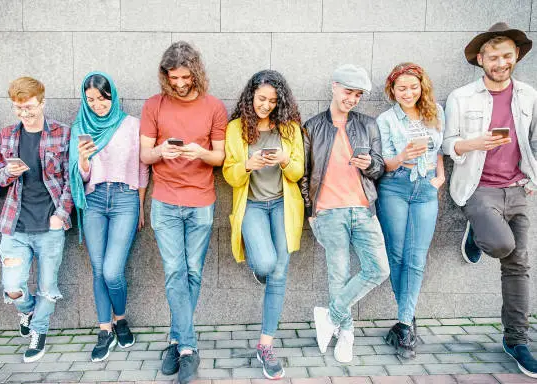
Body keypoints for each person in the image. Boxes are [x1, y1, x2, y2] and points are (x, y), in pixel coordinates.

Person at [443, 22, 537, 378]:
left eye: (507, 56)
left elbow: (535, 141)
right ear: (481, 59)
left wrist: (534, 177)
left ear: (516, 58)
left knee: (518, 266)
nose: (501, 63)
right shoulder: (461, 97)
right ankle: (480, 232)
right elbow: (447, 143)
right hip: (478, 186)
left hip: (517, 188)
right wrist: (472, 143)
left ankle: (517, 341)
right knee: (501, 244)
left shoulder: (528, 94)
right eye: (493, 57)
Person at [140, 41, 227, 384]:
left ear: (196, 73)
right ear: (165, 75)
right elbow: (145, 156)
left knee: (193, 272)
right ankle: (188, 348)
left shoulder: (214, 107)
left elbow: (219, 158)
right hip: (164, 201)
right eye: (173, 77)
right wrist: (162, 149)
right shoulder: (153, 105)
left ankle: (175, 339)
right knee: (175, 271)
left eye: (185, 76)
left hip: (201, 201)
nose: (179, 83)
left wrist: (198, 153)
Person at [301, 64, 389, 363]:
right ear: (334, 86)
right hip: (328, 212)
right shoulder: (312, 127)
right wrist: (311, 212)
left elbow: (379, 167)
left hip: (363, 210)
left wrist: (370, 165)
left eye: (358, 95)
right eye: (349, 92)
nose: (353, 99)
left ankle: (331, 315)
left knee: (379, 270)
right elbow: (303, 174)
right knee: (337, 276)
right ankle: (346, 335)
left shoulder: (368, 124)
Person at [223, 70, 304, 379]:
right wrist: (247, 164)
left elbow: (297, 173)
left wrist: (284, 159)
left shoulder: (290, 128)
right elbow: (230, 175)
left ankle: (265, 345)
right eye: (261, 99)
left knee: (280, 273)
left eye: (272, 100)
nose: (266, 105)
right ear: (250, 96)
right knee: (268, 263)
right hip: (253, 206)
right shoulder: (235, 129)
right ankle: (260, 267)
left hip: (283, 206)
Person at [69, 72, 148, 362]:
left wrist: (140, 205)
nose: (97, 104)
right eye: (90, 100)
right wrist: (84, 160)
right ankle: (105, 329)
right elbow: (80, 176)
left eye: (102, 98)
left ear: (112, 95)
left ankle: (121, 318)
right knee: (98, 269)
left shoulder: (131, 125)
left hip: (126, 199)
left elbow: (142, 169)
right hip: (94, 199)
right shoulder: (81, 125)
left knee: (112, 271)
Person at [0, 77, 73, 363]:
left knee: (48, 288)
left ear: (42, 102)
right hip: (14, 226)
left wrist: (60, 215)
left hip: (50, 226)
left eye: (28, 107)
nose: (24, 113)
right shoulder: (7, 135)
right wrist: (10, 173)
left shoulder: (62, 134)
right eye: (18, 108)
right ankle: (27, 311)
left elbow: (69, 180)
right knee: (13, 288)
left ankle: (39, 332)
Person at [375, 63, 445, 359]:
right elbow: (383, 163)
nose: (408, 93)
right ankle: (407, 317)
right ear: (392, 90)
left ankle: (404, 323)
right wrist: (402, 157)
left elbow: (440, 149)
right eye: (401, 88)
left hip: (426, 189)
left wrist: (441, 176)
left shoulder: (436, 112)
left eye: (413, 87)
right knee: (398, 256)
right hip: (395, 187)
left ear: (422, 86)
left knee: (417, 258)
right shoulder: (386, 119)